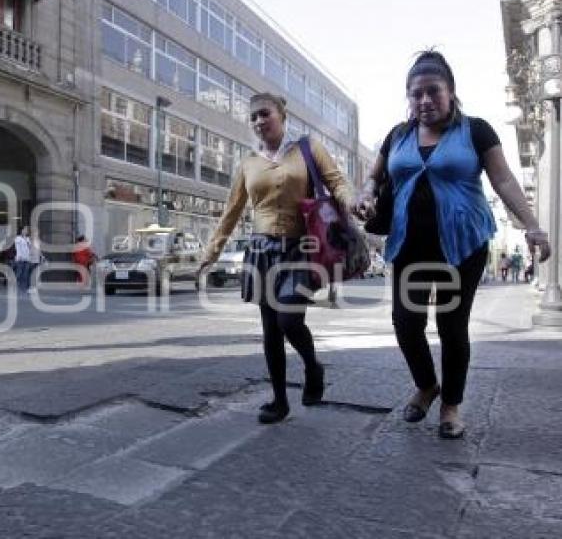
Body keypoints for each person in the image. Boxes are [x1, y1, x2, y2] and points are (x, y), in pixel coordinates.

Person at [355, 51, 551, 439]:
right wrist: (365, 194)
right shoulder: (398, 135)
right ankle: (427, 385)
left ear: (451, 92)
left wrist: (532, 225)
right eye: (416, 94)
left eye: (433, 91)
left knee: (451, 325)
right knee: (406, 323)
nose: (424, 100)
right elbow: (372, 179)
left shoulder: (476, 130)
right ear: (407, 98)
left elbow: (505, 181)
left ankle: (451, 405)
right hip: (409, 242)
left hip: (461, 244)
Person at [198, 92, 355, 424]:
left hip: (300, 248)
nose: (258, 121)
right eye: (253, 117)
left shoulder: (308, 148)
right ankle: (279, 400)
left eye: (264, 114)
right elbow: (232, 211)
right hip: (261, 250)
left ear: (282, 115)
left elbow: (337, 182)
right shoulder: (248, 162)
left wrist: (353, 202)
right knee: (271, 330)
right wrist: (211, 252)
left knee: (289, 320)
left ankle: (313, 367)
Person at [14, 226, 32, 293]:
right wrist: (19, 256)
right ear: (21, 230)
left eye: (27, 230)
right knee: (19, 273)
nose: (26, 231)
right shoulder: (18, 238)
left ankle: (25, 288)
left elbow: (29, 248)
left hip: (27, 258)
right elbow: (17, 248)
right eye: (25, 229)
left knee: (26, 274)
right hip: (20, 258)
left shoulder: (27, 239)